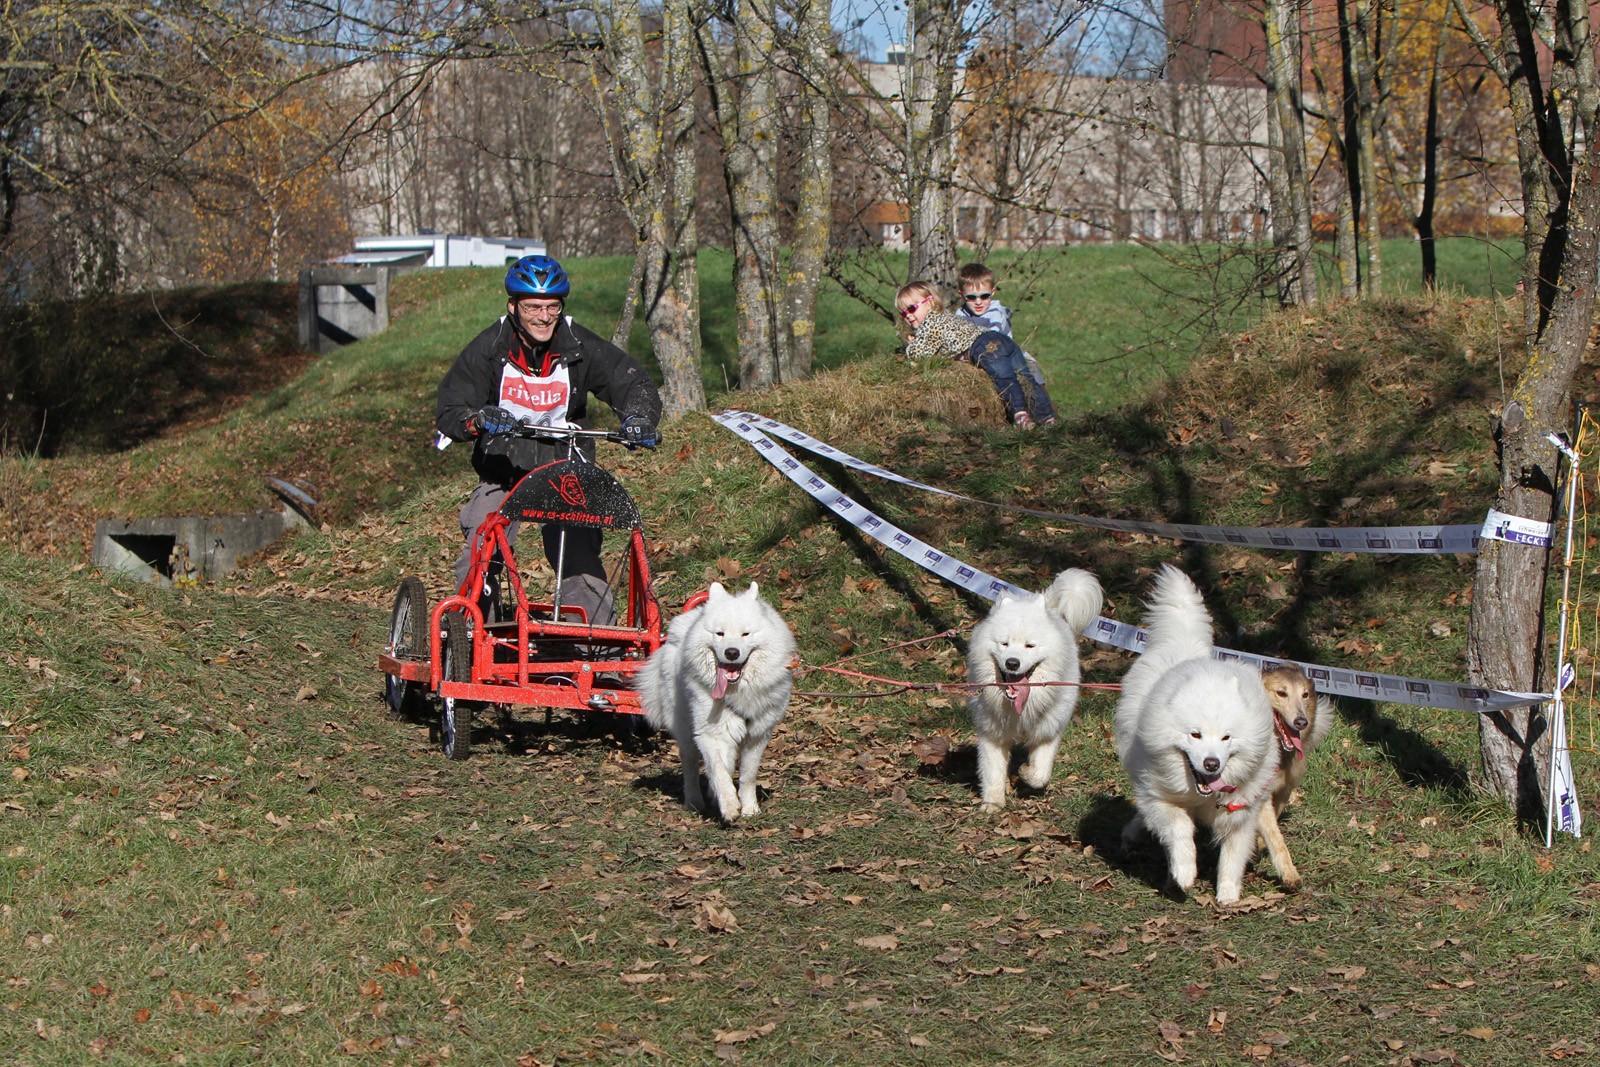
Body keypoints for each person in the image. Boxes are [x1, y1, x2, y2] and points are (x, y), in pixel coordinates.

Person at [436, 254, 662, 626]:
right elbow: (450, 409)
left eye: (552, 307)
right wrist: (477, 419)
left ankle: (589, 647)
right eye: (533, 307)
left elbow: (632, 380)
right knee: (482, 538)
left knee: (580, 551)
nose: (543, 317)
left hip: (566, 468)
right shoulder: (489, 348)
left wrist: (638, 416)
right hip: (504, 469)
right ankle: (475, 636)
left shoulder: (578, 344)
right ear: (513, 307)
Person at [895, 280, 1058, 428]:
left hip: (982, 345)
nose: (907, 316)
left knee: (1004, 378)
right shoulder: (945, 316)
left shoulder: (930, 323)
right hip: (1001, 340)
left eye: (911, 308)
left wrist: (911, 344)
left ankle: (1020, 415)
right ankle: (1048, 418)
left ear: (930, 302)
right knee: (1026, 378)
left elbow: (919, 356)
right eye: (903, 313)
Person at [954, 262, 1048, 389]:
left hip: (1005, 355)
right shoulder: (960, 315)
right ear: (961, 295)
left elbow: (991, 344)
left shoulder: (997, 315)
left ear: (992, 292)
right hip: (977, 358)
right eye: (971, 297)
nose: (978, 302)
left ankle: (1048, 407)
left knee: (1034, 381)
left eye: (984, 296)